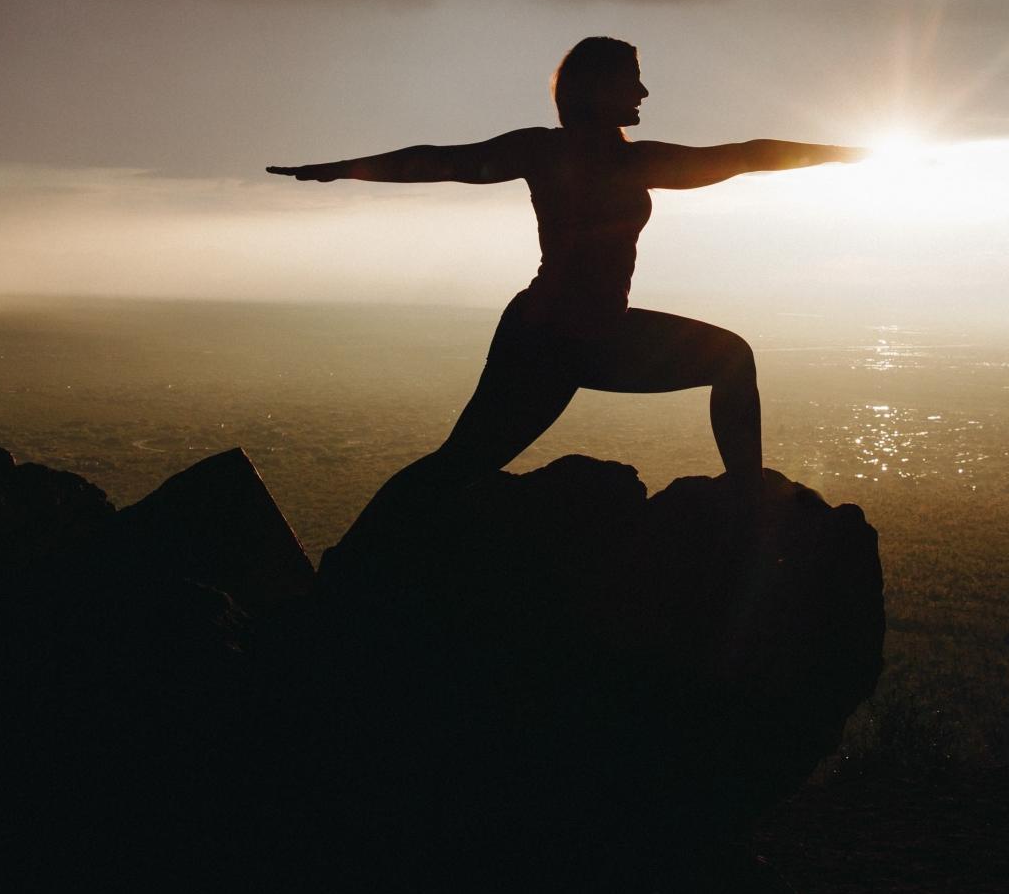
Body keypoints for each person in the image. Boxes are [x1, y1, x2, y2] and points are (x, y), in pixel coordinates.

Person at [269, 35, 861, 550]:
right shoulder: (557, 152)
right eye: (633, 80)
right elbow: (444, 162)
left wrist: (841, 154)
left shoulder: (613, 158)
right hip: (547, 341)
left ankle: (744, 499)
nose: (645, 94)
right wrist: (345, 168)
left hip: (590, 332)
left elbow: (742, 157)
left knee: (730, 358)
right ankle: (358, 553)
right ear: (599, 87)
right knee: (464, 461)